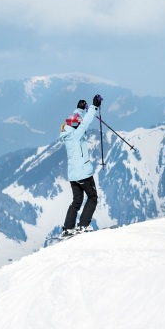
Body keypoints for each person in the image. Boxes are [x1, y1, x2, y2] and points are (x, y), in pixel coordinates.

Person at [58, 94, 103, 237]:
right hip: (83, 173)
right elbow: (85, 123)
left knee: (77, 200)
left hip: (73, 174)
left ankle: (68, 228)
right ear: (74, 124)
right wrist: (94, 107)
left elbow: (78, 119)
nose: (79, 122)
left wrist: (80, 108)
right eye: (77, 121)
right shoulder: (76, 135)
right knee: (92, 197)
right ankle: (83, 225)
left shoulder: (68, 133)